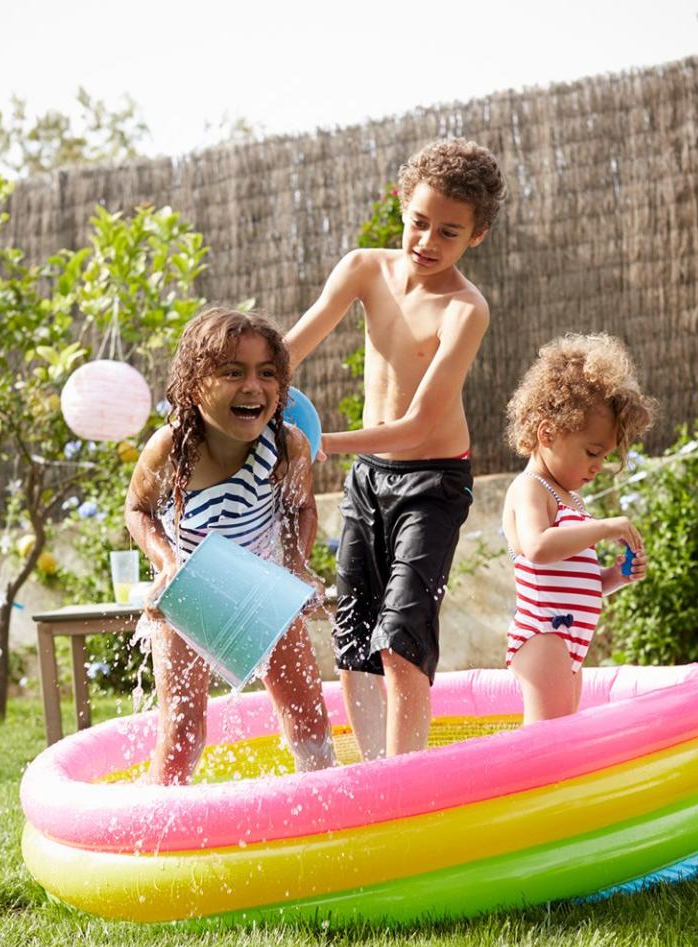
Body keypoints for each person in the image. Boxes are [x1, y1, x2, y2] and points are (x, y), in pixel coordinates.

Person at [286, 138, 506, 760]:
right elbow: (289, 351)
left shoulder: (465, 309)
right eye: (419, 221)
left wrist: (320, 442)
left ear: (476, 237)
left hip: (433, 483)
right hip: (368, 479)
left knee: (399, 635)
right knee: (354, 631)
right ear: (402, 204)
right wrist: (237, 388)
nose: (427, 242)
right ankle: (373, 773)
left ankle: (405, 781)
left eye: (449, 232)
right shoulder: (363, 269)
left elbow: (415, 425)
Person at [124, 307, 336, 784]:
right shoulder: (172, 446)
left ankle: (324, 820)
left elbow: (301, 508)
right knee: (182, 730)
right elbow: (137, 510)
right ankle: (160, 830)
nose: (252, 386)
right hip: (192, 589)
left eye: (267, 374)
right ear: (194, 383)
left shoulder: (288, 444)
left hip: (263, 585)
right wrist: (168, 565)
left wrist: (298, 567)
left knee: (308, 716)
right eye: (231, 372)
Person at [502, 333, 656, 723]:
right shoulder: (530, 488)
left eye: (604, 457)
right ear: (548, 433)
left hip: (570, 638)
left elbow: (576, 577)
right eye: (592, 453)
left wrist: (615, 577)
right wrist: (605, 528)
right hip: (544, 634)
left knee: (564, 732)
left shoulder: (572, 500)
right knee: (545, 738)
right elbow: (537, 547)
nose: (597, 467)